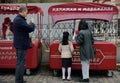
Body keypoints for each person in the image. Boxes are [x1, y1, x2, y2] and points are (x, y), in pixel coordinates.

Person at [13, 5, 35, 83]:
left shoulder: (19, 19)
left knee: (21, 63)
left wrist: (28, 24)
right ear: (22, 11)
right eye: (26, 12)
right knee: (20, 63)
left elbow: (26, 29)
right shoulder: (19, 20)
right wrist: (32, 23)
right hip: (21, 45)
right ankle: (18, 80)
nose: (27, 14)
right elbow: (30, 28)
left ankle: (20, 79)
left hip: (20, 44)